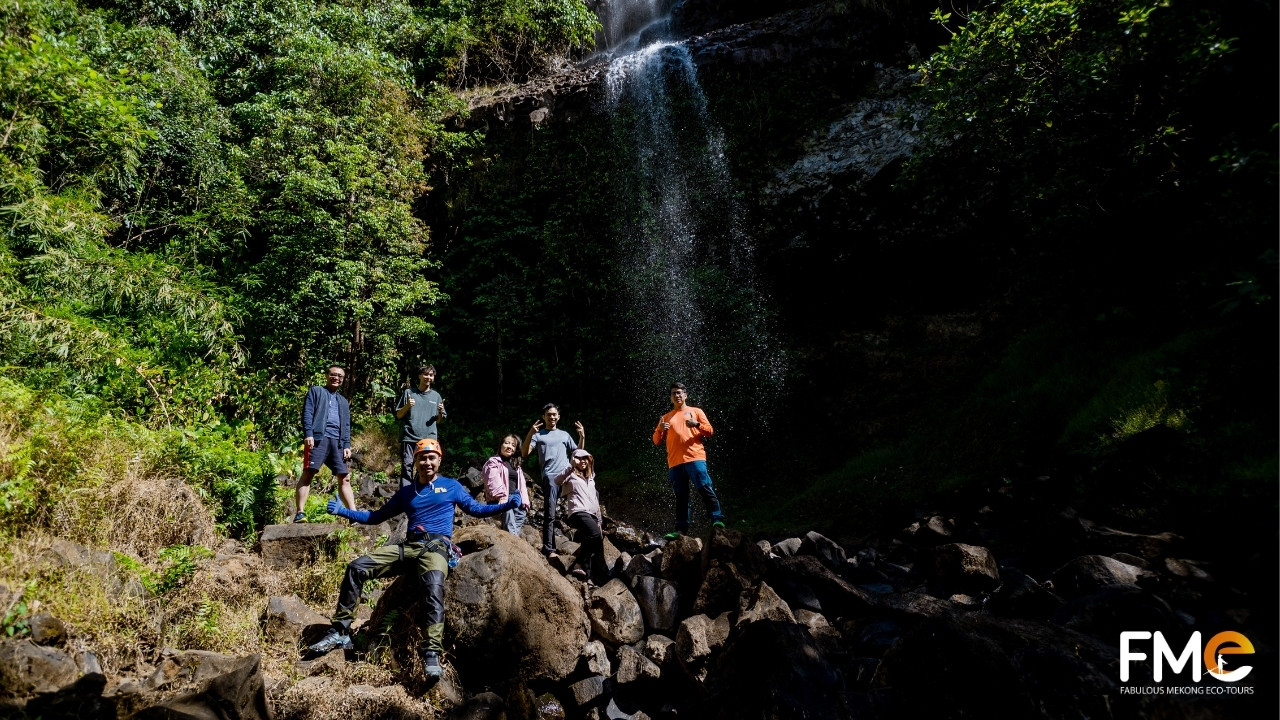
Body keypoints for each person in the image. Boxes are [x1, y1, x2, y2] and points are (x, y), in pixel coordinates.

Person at [307, 437, 519, 678]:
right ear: (415, 462)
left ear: (439, 460)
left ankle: (431, 653)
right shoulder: (407, 493)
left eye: (431, 457)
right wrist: (344, 511)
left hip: (435, 548)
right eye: (422, 458)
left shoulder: (451, 487)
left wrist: (505, 505)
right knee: (357, 567)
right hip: (409, 548)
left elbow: (476, 509)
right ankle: (340, 630)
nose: (427, 462)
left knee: (433, 587)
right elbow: (377, 517)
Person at [652, 382, 724, 539]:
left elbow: (710, 431)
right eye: (673, 393)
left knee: (704, 487)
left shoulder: (696, 411)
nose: (677, 395)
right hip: (675, 462)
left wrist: (696, 424)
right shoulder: (665, 417)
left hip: (695, 457)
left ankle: (717, 519)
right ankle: (680, 530)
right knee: (681, 496)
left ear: (685, 395)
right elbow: (656, 441)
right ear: (670, 398)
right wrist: (660, 430)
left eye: (679, 392)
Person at [522, 403, 585, 558]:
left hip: (569, 474)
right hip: (551, 476)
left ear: (558, 417)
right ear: (544, 417)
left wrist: (582, 436)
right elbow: (524, 453)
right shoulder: (538, 435)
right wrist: (530, 433)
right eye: (548, 414)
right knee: (550, 513)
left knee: (584, 505)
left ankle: (585, 546)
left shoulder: (564, 434)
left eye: (554, 414)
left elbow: (578, 453)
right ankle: (549, 549)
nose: (551, 417)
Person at [297, 365, 355, 522]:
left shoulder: (343, 401)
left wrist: (347, 445)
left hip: (338, 442)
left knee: (345, 477)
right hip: (318, 439)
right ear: (327, 376)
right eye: (333, 374)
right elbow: (307, 413)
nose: (336, 378)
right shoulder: (316, 391)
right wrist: (308, 433)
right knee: (309, 473)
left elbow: (347, 424)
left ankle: (354, 515)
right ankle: (300, 512)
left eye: (340, 376)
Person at [553, 449, 606, 583]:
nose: (583, 461)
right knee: (594, 535)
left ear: (590, 460)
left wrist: (599, 520)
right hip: (578, 512)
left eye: (586, 458)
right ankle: (578, 563)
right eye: (580, 459)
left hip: (592, 514)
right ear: (575, 460)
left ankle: (583, 577)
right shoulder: (570, 474)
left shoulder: (591, 478)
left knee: (594, 539)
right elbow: (557, 480)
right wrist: (571, 465)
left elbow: (595, 500)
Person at [394, 365, 446, 488]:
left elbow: (439, 420)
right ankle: (406, 493)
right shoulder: (409, 393)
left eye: (431, 375)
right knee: (407, 465)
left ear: (433, 377)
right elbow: (399, 415)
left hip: (428, 439)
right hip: (410, 436)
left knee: (425, 467)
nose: (428, 377)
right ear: (419, 376)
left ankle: (421, 492)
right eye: (425, 374)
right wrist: (407, 405)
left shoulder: (436, 396)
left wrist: (440, 411)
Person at [481, 434, 531, 535]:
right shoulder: (493, 462)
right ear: (501, 445)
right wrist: (502, 497)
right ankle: (514, 547)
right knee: (510, 526)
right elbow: (493, 480)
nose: (509, 447)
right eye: (506, 443)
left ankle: (513, 543)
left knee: (517, 522)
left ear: (516, 449)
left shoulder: (517, 467)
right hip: (500, 499)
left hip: (516, 498)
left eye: (513, 445)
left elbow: (522, 486)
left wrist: (525, 503)